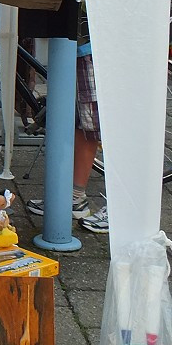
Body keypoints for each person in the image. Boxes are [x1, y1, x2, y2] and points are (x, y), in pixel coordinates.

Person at [25, 43, 108, 234]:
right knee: (80, 122)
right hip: (77, 43)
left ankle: (123, 211)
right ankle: (74, 197)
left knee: (105, 125)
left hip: (99, 41)